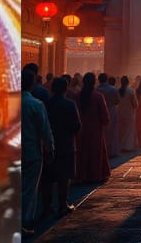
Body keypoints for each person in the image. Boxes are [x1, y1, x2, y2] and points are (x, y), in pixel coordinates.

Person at [21, 68, 53, 235]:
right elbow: (45, 131)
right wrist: (50, 149)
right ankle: (25, 221)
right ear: (32, 84)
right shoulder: (35, 104)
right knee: (29, 188)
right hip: (31, 151)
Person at [44, 77, 82, 214]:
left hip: (49, 143)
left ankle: (46, 206)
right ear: (66, 89)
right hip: (66, 143)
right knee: (64, 176)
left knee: (48, 177)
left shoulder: (46, 104)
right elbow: (77, 125)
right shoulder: (69, 104)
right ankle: (62, 204)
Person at [96, 73, 120, 157]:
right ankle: (112, 151)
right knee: (113, 131)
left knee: (103, 132)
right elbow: (117, 101)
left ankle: (103, 150)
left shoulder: (97, 90)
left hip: (99, 112)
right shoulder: (113, 89)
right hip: (112, 110)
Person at [117, 76, 139, 152]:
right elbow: (135, 103)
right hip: (129, 113)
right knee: (129, 131)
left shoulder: (118, 90)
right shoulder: (131, 91)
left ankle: (121, 146)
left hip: (120, 112)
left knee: (121, 130)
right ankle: (128, 146)